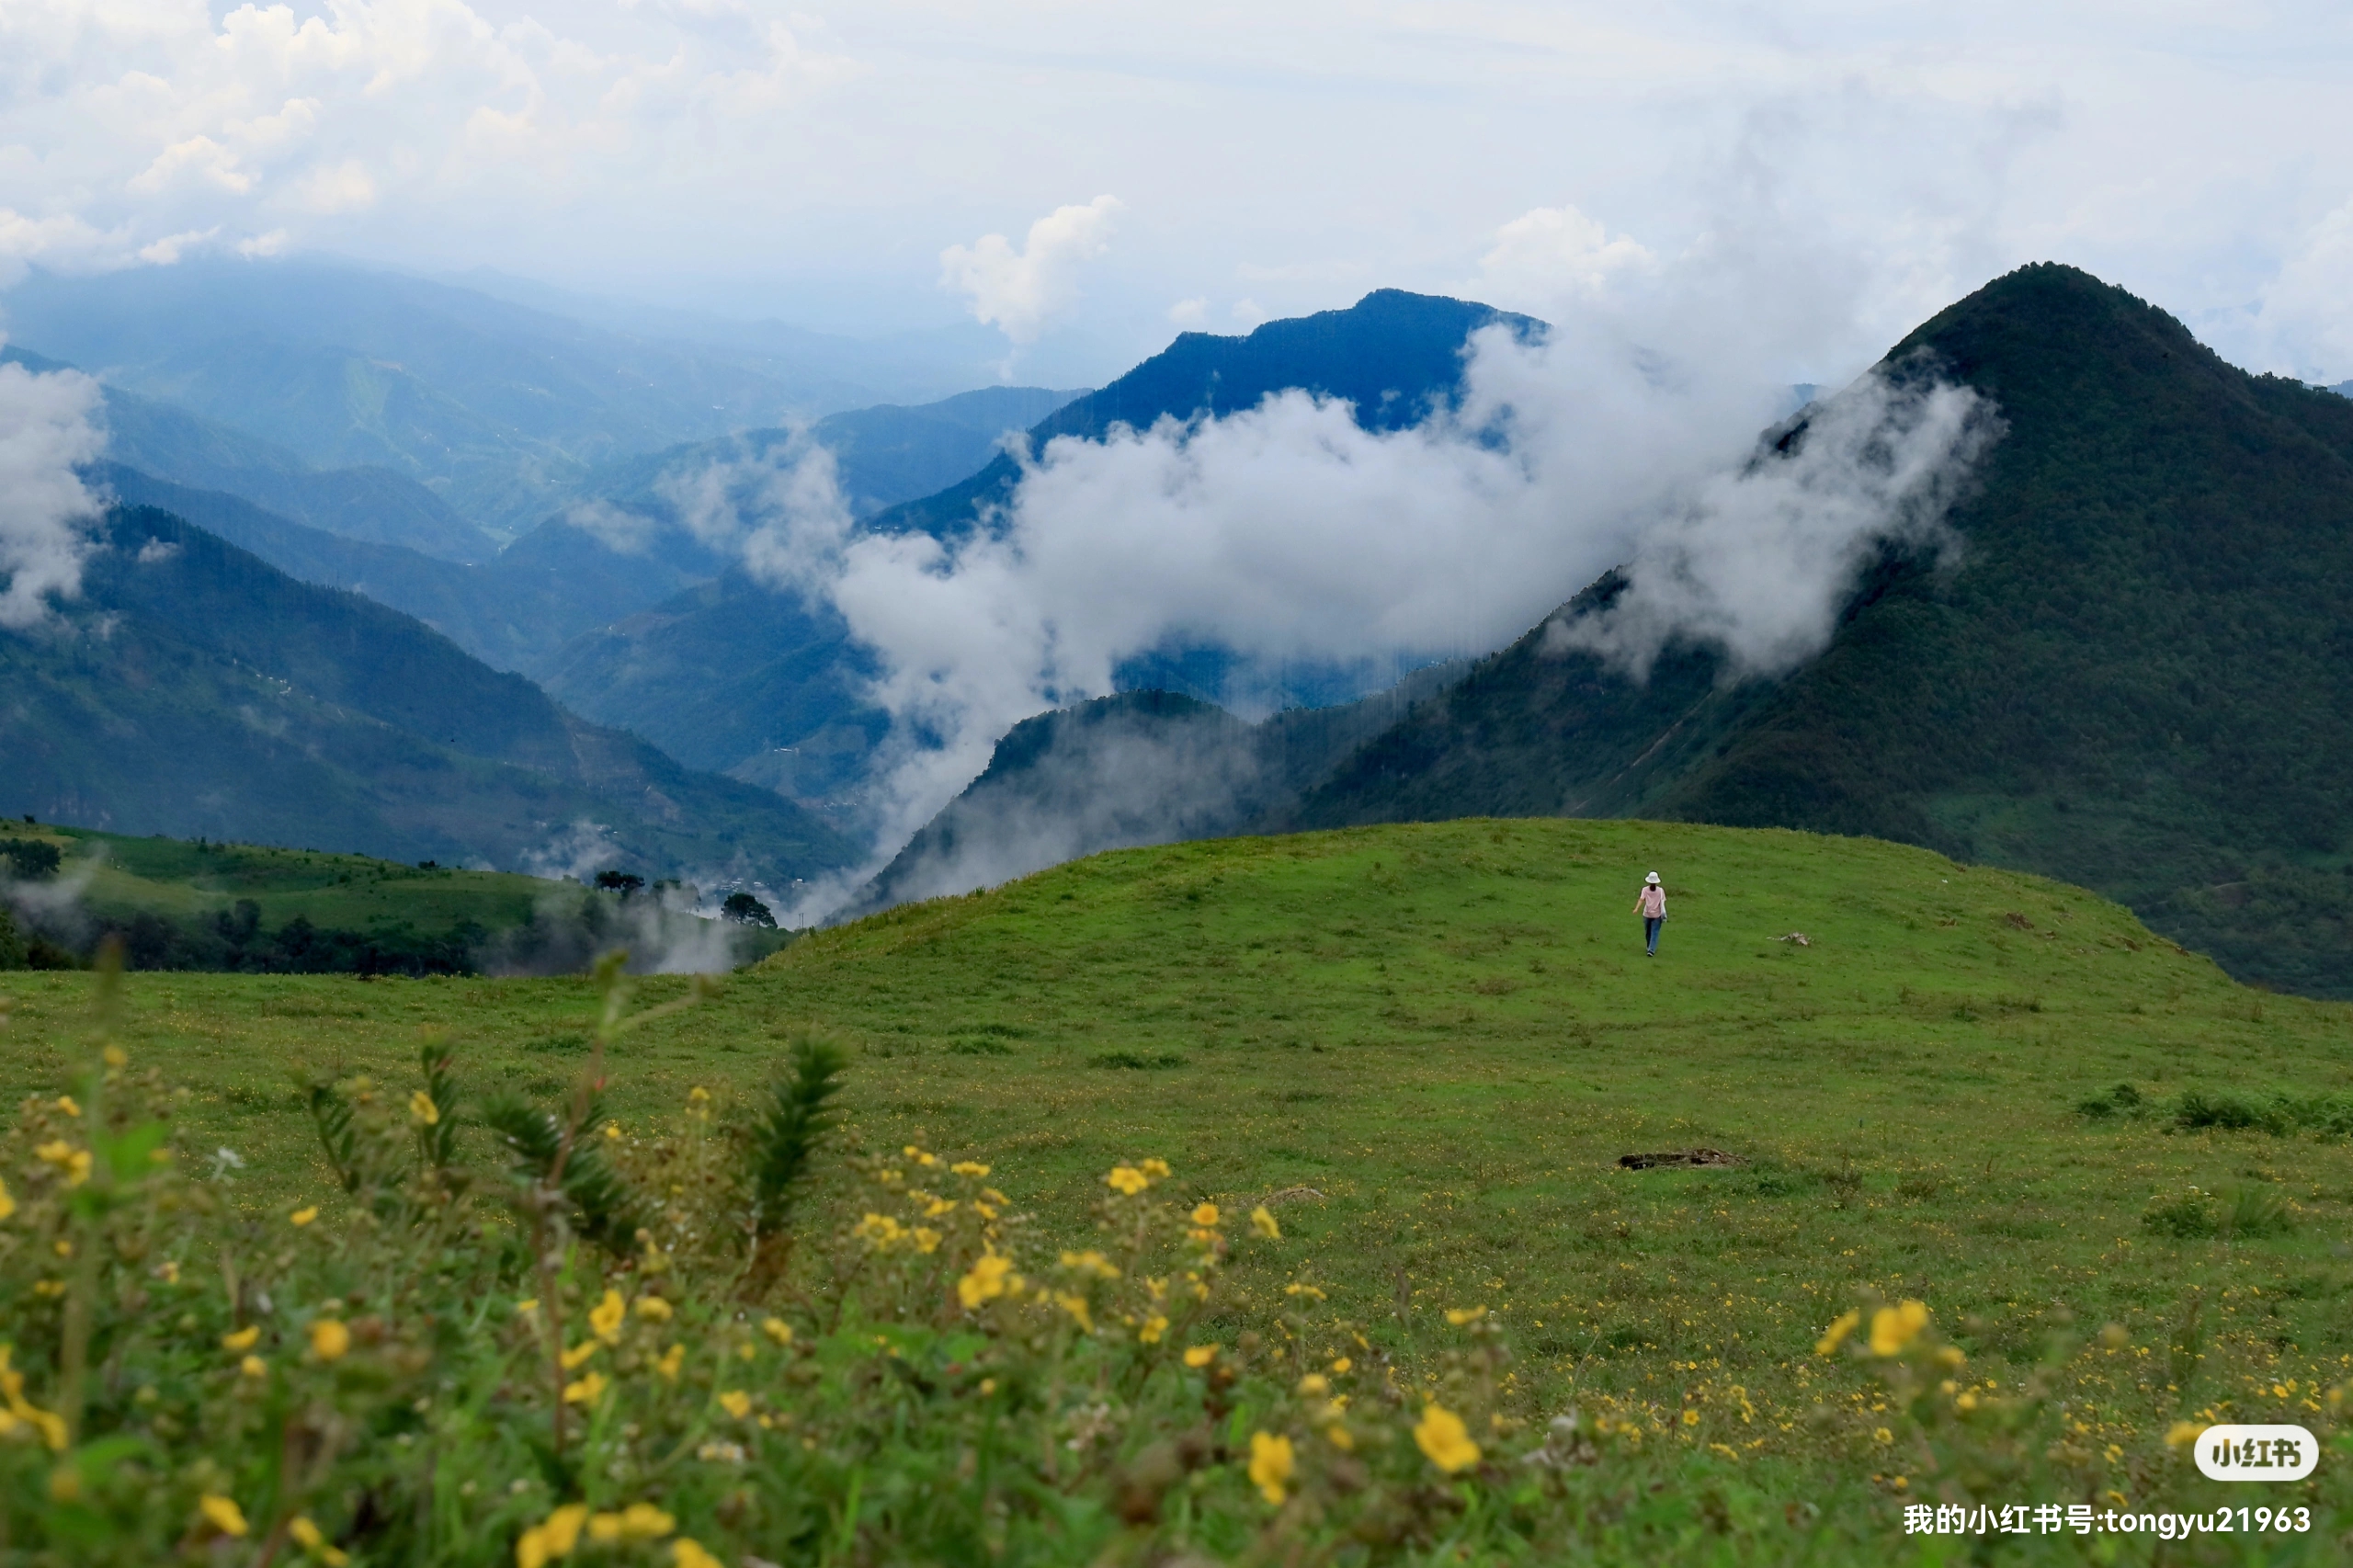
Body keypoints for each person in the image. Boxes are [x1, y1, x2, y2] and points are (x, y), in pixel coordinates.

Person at [1632, 871, 1666, 957]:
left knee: (1648, 932)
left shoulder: (1645, 889)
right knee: (1654, 932)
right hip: (1657, 915)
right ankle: (1651, 949)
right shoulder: (1661, 891)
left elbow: (1641, 899)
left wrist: (1636, 908)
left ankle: (1650, 948)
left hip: (1647, 914)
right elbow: (1662, 902)